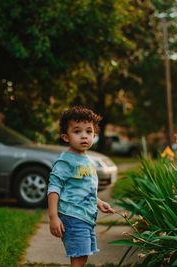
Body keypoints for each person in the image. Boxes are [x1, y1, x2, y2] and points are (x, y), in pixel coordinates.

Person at [47, 106, 115, 267]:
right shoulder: (66, 161)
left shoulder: (88, 161)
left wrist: (98, 202)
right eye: (77, 131)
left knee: (82, 257)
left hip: (86, 217)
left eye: (88, 131)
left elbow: (83, 189)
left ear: (95, 135)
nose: (84, 136)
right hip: (72, 217)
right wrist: (53, 216)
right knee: (78, 259)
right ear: (66, 137)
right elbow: (54, 188)